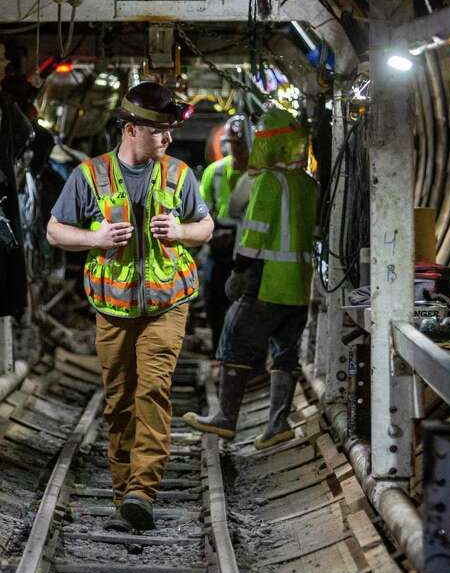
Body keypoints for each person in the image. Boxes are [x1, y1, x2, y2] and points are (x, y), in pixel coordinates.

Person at [46, 82, 214, 531]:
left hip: (166, 303)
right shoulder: (90, 177)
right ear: (131, 129)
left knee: (152, 389)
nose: (168, 139)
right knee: (119, 399)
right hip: (113, 309)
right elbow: (55, 231)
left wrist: (180, 232)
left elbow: (206, 227)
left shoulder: (178, 174)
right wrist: (94, 238)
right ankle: (125, 492)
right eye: (160, 130)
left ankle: (143, 488)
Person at [184, 107, 317, 450]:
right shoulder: (307, 183)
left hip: (268, 279)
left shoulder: (268, 181)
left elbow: (255, 232)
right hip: (301, 284)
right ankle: (278, 424)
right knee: (285, 355)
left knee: (235, 339)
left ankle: (226, 418)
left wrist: (240, 270)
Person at [198, 116, 249, 356]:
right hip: (219, 247)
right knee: (212, 296)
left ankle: (237, 351)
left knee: (241, 304)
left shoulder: (257, 176)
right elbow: (200, 213)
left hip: (246, 251)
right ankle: (220, 348)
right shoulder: (214, 172)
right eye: (231, 143)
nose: (234, 148)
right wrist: (211, 234)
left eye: (239, 143)